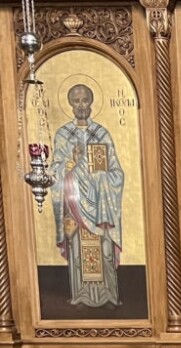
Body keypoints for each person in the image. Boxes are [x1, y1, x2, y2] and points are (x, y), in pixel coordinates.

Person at [51, 83, 125, 308]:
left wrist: (102, 178)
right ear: (70, 105)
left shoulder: (101, 133)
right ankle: (81, 296)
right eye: (76, 101)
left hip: (101, 206)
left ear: (92, 102)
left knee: (103, 249)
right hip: (74, 204)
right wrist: (71, 161)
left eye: (85, 100)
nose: (81, 105)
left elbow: (116, 173)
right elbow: (55, 171)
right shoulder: (63, 134)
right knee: (77, 250)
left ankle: (108, 295)